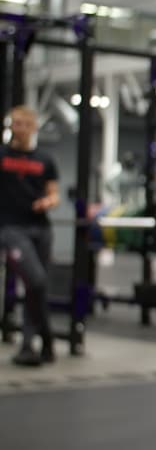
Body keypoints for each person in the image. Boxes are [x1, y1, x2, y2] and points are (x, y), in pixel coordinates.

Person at [0, 106, 59, 367]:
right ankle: (39, 339)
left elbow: (53, 193)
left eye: (25, 124)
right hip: (11, 229)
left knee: (39, 285)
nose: (19, 128)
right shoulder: (2, 156)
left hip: (40, 229)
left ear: (33, 127)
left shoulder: (45, 160)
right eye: (16, 123)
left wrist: (47, 202)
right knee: (34, 280)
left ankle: (38, 344)